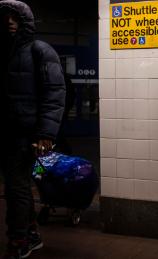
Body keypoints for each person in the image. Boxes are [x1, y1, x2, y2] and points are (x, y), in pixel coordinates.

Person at [0, 1, 66, 259]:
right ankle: (31, 233)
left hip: (27, 136)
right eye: (4, 17)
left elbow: (54, 93)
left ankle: (18, 241)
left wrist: (45, 134)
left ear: (25, 21)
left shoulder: (40, 50)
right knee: (18, 186)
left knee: (16, 187)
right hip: (5, 133)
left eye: (14, 17)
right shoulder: (3, 53)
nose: (8, 21)